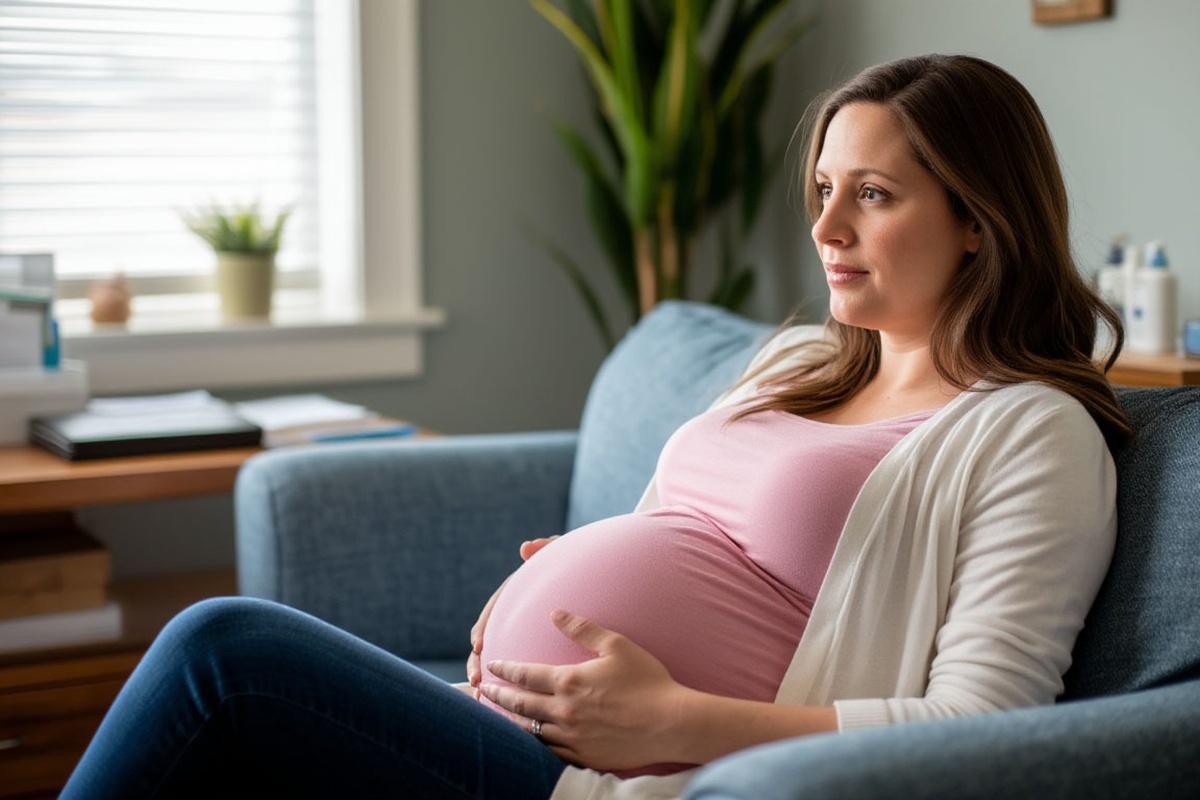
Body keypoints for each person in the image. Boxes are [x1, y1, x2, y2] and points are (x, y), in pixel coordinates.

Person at [60, 53, 1129, 800]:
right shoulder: (796, 360)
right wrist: (558, 571)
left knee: (222, 648)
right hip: (512, 722)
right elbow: (680, 538)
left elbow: (987, 725)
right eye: (821, 188)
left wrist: (677, 721)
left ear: (982, 223)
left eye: (875, 194)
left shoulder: (1029, 432)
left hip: (615, 776)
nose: (826, 226)